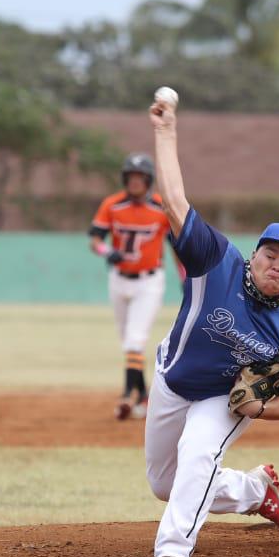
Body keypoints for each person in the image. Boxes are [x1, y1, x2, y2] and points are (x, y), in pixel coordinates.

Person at [143, 91, 279, 557]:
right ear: (254, 254)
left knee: (199, 454)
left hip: (222, 399)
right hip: (173, 381)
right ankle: (256, 492)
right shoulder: (215, 261)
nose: (276, 266)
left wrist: (258, 409)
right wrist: (165, 130)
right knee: (164, 483)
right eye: (270, 256)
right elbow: (174, 201)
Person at [88, 154, 174, 420]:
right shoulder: (112, 205)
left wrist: (186, 278)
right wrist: (106, 252)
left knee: (135, 340)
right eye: (131, 178)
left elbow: (176, 245)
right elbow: (94, 239)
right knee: (129, 343)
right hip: (119, 279)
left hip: (149, 280)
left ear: (149, 181)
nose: (135, 183)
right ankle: (146, 397)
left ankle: (127, 396)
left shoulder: (162, 207)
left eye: (141, 178)